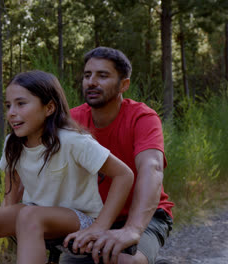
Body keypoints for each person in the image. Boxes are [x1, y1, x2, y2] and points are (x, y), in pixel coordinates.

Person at [0, 70, 134, 264]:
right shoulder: (12, 143)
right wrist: (1, 220)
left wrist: (100, 226)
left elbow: (124, 175)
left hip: (81, 219)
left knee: (29, 214)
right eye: (8, 106)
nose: (11, 113)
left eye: (21, 104)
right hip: (33, 216)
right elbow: (11, 198)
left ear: (49, 108)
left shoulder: (73, 141)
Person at [61, 47, 174, 264]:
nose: (91, 82)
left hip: (145, 217)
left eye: (102, 75)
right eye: (87, 75)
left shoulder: (142, 117)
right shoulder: (71, 121)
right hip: (94, 219)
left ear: (124, 84)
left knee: (124, 260)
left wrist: (132, 229)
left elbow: (152, 167)